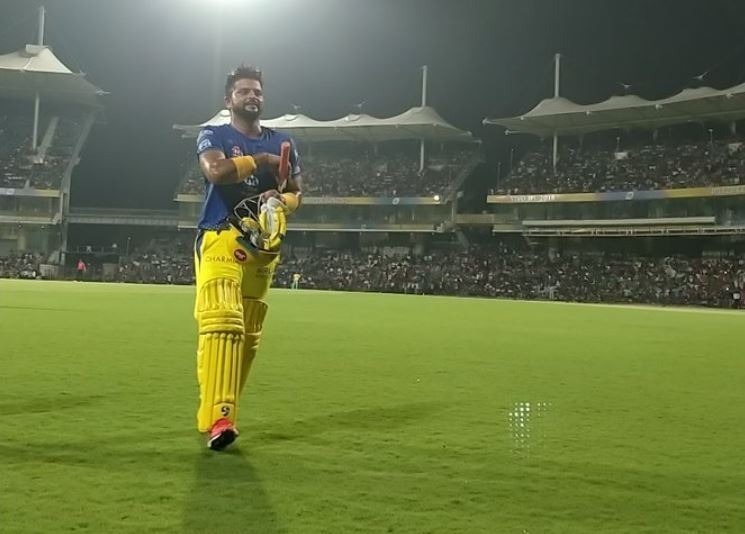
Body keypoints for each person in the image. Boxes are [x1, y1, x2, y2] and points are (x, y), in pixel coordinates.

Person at [194, 65, 302, 450]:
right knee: (223, 321)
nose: (251, 96)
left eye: (256, 91)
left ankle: (218, 418)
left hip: (262, 247)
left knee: (249, 332)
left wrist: (280, 202)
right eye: (243, 91)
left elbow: (296, 191)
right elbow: (216, 171)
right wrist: (262, 161)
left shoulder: (283, 140)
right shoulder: (215, 134)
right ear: (229, 100)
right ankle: (220, 418)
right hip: (221, 234)